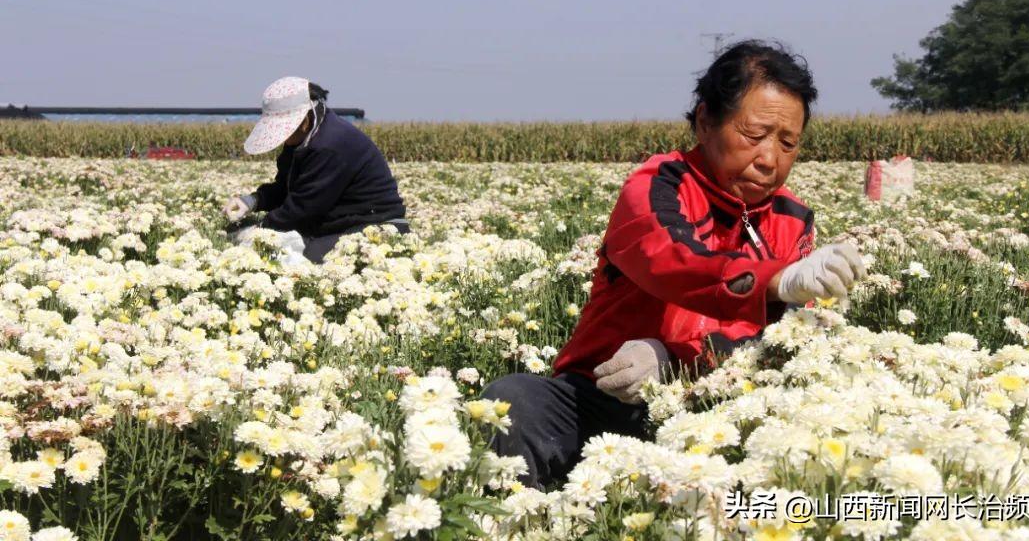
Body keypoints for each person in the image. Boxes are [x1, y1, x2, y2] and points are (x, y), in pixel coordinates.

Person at [480, 40, 866, 488]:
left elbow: (781, 343)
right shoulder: (657, 187)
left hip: (717, 408)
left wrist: (677, 360)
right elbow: (672, 261)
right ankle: (524, 519)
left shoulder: (792, 219)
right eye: (754, 135)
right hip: (606, 395)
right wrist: (774, 280)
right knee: (515, 401)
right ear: (705, 121)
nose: (768, 160)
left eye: (788, 143)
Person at [222, 76, 408, 262]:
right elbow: (286, 188)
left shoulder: (330, 144)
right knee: (275, 252)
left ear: (304, 119)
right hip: (339, 222)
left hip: (376, 226)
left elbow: (304, 207)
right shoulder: (301, 139)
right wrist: (253, 201)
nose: (283, 138)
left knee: (288, 259)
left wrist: (260, 230)